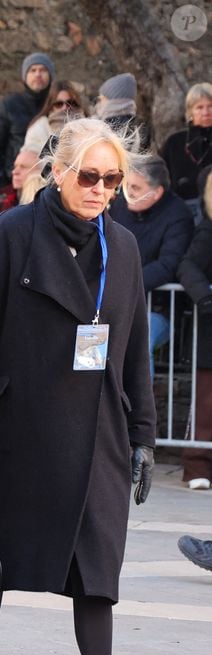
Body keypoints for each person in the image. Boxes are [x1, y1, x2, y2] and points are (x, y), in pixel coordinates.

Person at [0, 117, 164, 655]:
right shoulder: (12, 234)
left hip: (97, 430)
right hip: (14, 428)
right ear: (58, 171)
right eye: (90, 176)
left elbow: (130, 357)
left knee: (97, 571)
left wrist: (145, 435)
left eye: (112, 180)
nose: (101, 189)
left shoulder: (121, 248)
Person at [110, 155, 194, 376]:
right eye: (126, 186)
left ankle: (137, 408)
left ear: (157, 193)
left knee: (137, 341)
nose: (128, 192)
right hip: (113, 301)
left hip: (158, 308)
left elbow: (169, 264)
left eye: (135, 188)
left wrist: (122, 285)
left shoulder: (178, 216)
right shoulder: (120, 207)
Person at [177, 167, 212, 489]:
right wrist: (207, 297)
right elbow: (187, 266)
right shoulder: (208, 232)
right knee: (206, 401)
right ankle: (197, 466)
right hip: (211, 330)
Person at [0, 52, 55, 192]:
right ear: (25, 76)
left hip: (51, 183)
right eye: (33, 70)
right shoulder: (9, 105)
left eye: (43, 70)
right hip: (17, 184)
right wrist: (3, 182)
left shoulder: (58, 105)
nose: (38, 74)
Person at [161, 82, 212, 220]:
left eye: (210, 106)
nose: (206, 112)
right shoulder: (174, 142)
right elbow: (162, 179)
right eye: (200, 107)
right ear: (190, 113)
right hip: (181, 211)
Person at [23, 80, 86, 157]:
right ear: (51, 106)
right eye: (59, 104)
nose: (64, 108)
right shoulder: (38, 128)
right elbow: (31, 158)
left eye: (70, 102)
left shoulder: (90, 126)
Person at [94, 73, 150, 152]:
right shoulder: (141, 124)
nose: (98, 103)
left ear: (114, 100)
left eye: (101, 98)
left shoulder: (105, 126)